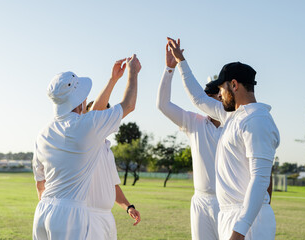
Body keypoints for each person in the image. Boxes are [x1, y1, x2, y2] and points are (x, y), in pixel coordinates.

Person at [167, 37, 280, 240]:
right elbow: (198, 98)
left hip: (247, 223)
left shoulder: (257, 120)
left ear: (234, 85)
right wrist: (181, 61)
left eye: (221, 89)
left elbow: (260, 179)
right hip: (231, 216)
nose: (219, 94)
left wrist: (239, 231)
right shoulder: (232, 115)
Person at [32, 54, 141, 240]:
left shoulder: (43, 133)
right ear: (81, 100)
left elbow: (40, 183)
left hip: (43, 211)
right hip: (70, 213)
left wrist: (113, 80)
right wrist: (133, 73)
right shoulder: (85, 125)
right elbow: (128, 105)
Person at [157, 42, 221, 240]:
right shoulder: (195, 123)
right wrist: (169, 69)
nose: (213, 99)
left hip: (229, 202)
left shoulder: (236, 124)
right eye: (209, 95)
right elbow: (163, 105)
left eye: (217, 94)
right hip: (200, 201)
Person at [85, 58, 141, 240]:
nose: (105, 119)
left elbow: (113, 186)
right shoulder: (86, 137)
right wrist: (117, 78)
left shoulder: (106, 148)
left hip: (106, 218)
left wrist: (128, 207)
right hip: (88, 218)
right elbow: (96, 114)